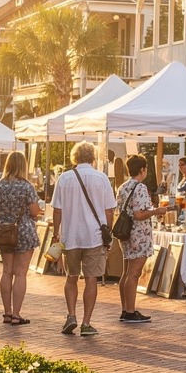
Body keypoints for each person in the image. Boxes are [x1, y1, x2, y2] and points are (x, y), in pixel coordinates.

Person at [51, 141, 117, 336]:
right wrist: (108, 232)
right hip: (94, 236)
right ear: (93, 157)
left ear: (75, 157)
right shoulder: (102, 178)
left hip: (71, 236)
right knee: (91, 279)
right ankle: (86, 322)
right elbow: (109, 211)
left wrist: (57, 233)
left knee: (71, 277)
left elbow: (57, 209)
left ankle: (71, 315)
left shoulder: (64, 178)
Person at [0, 152, 42, 325]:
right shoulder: (27, 186)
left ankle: (7, 312)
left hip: (5, 232)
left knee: (6, 271)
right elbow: (34, 211)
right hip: (24, 231)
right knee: (20, 273)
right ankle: (17, 314)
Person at [115, 154, 169, 324]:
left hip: (125, 233)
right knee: (134, 273)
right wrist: (156, 211)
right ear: (143, 169)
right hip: (138, 233)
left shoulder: (123, 186)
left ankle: (125, 308)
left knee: (126, 272)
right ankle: (130, 311)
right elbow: (139, 214)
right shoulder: (140, 187)